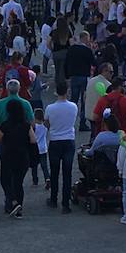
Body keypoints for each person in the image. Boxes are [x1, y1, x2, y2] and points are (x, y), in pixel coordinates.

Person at [0, 98, 37, 218]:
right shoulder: (26, 125)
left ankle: (13, 201)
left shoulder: (5, 125)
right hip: (23, 156)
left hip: (8, 156)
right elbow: (33, 139)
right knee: (18, 182)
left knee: (5, 180)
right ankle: (19, 208)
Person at [45, 81, 78, 213]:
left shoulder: (50, 108)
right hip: (69, 140)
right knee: (67, 173)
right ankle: (66, 203)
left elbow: (47, 123)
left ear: (56, 92)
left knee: (54, 172)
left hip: (55, 140)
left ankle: (53, 199)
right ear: (67, 91)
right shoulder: (73, 106)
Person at [65, 31, 95, 129]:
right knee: (84, 101)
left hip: (74, 76)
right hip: (84, 76)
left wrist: (67, 75)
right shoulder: (87, 50)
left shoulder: (72, 49)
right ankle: (82, 123)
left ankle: (69, 121)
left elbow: (66, 62)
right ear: (85, 38)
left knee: (73, 99)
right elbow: (93, 62)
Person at [31, 108, 50, 189]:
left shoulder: (34, 127)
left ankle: (35, 180)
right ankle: (47, 178)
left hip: (35, 148)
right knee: (44, 166)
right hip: (43, 148)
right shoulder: (45, 126)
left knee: (34, 166)